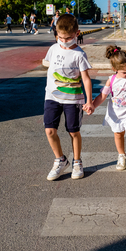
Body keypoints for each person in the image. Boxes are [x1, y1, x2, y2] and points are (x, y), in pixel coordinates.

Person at [42, 14, 94, 180]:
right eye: (60, 37)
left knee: (73, 131)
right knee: (50, 131)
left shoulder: (79, 54)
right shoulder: (53, 48)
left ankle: (77, 161)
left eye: (68, 38)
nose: (63, 41)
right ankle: (60, 159)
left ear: (77, 34)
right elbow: (49, 65)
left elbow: (86, 79)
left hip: (73, 100)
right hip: (52, 97)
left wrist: (89, 101)